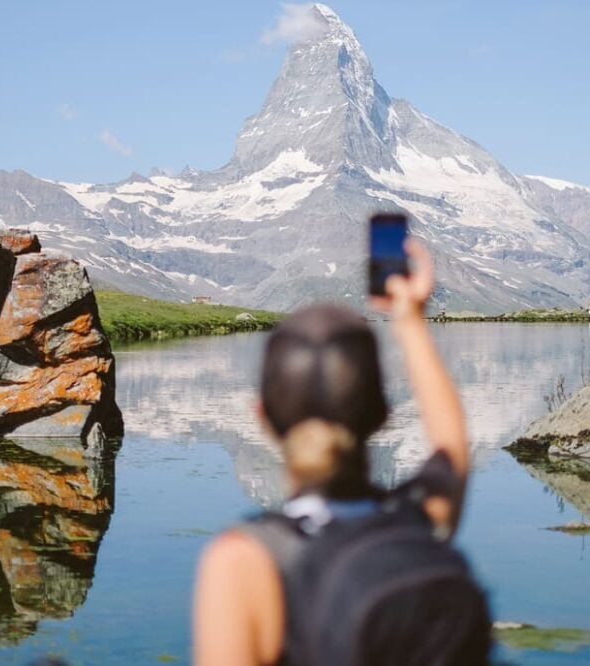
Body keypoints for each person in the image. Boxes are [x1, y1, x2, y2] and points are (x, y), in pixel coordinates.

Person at [193, 239, 491, 666]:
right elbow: (451, 449)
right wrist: (410, 320)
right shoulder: (418, 521)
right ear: (383, 414)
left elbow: (451, 452)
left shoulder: (245, 562)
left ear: (264, 418)